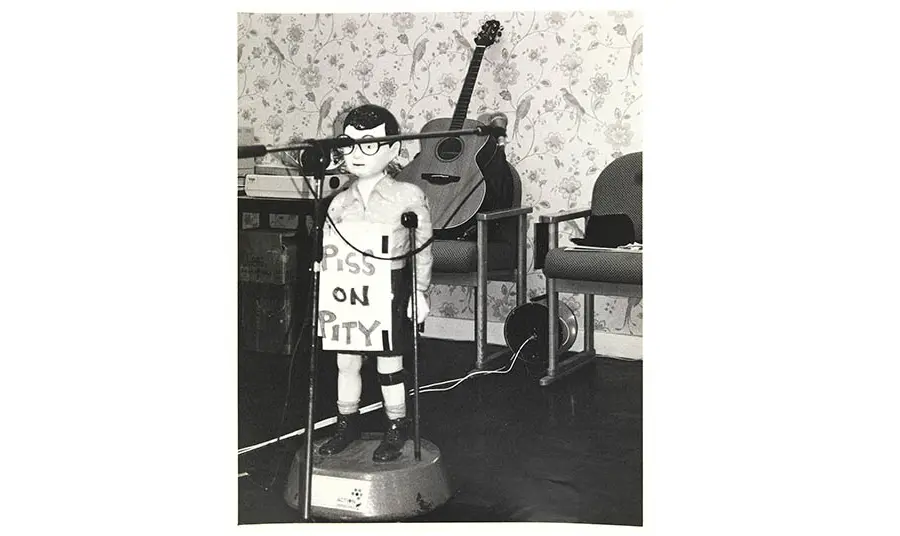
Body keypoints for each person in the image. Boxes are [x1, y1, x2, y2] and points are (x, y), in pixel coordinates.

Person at [318, 104, 433, 463]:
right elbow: (328, 252)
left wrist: (420, 291)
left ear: (394, 149)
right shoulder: (337, 204)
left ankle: (396, 426)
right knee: (346, 362)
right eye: (348, 144)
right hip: (347, 291)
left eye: (368, 144)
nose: (356, 153)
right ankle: (346, 422)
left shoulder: (408, 196)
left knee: (389, 362)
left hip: (390, 285)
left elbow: (423, 249)